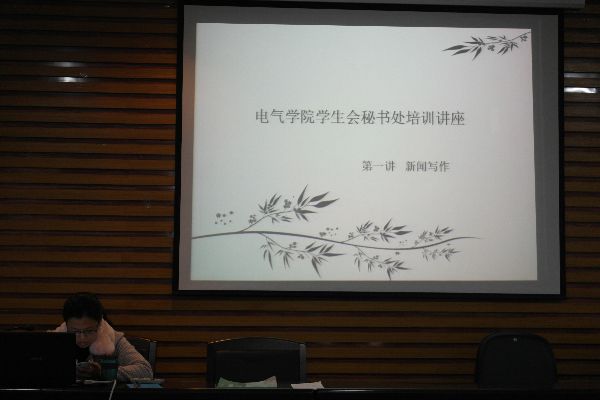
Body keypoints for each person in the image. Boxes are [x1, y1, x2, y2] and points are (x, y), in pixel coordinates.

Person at [53, 292, 153, 382]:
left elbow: (145, 370)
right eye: (75, 331)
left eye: (89, 331)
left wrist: (102, 372)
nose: (82, 338)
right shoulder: (55, 339)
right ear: (66, 326)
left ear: (99, 325)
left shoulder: (113, 339)